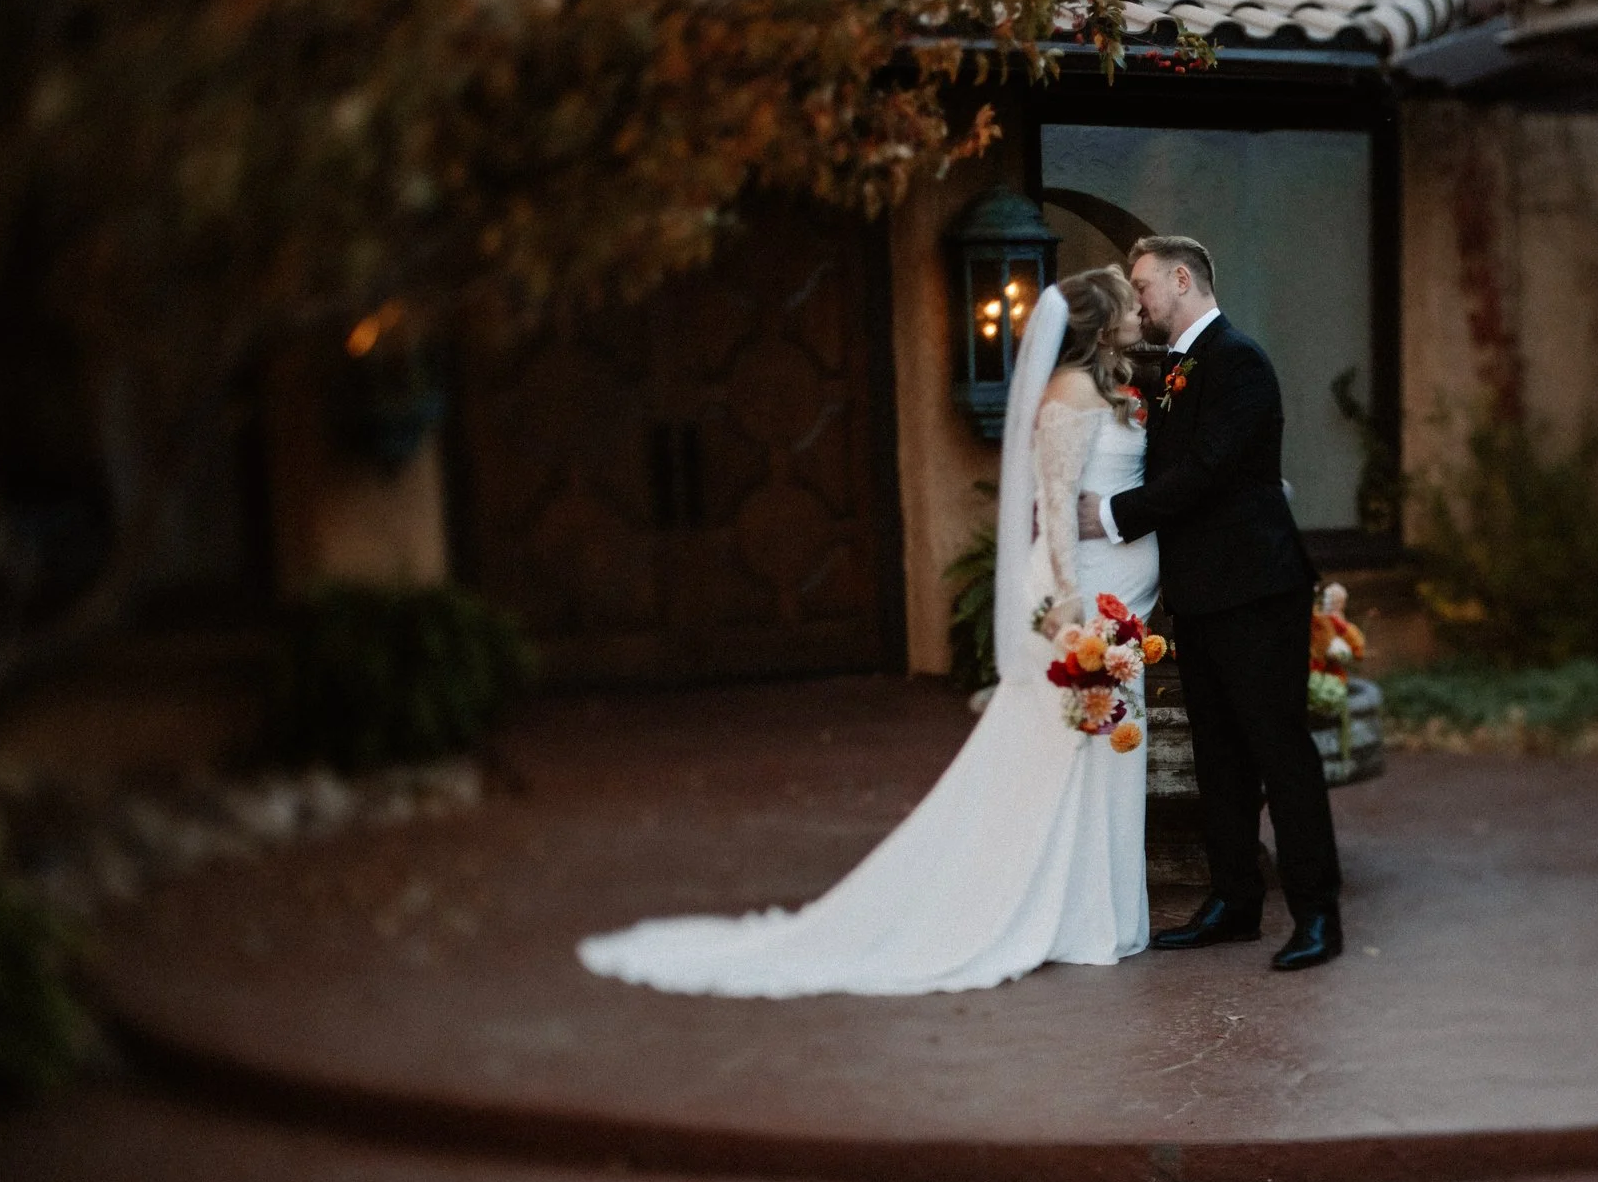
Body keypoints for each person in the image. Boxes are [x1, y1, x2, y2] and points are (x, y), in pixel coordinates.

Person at [575, 269, 1157, 996]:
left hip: (1116, 599)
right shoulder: (1070, 394)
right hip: (1079, 603)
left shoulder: (1109, 387)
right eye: (1129, 303)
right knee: (1066, 750)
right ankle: (1060, 914)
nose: (1141, 309)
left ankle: (1093, 910)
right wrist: (1069, 604)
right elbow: (1055, 501)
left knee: (1101, 750)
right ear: (1100, 323)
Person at [1080, 235, 1344, 972]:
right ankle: (1234, 901)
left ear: (1181, 277)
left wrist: (1108, 516)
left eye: (1143, 286)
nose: (1138, 301)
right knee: (1219, 757)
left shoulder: (1241, 361)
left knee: (1279, 751)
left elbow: (1205, 472)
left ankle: (1318, 914)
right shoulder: (1171, 370)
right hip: (1199, 592)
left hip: (1258, 588)